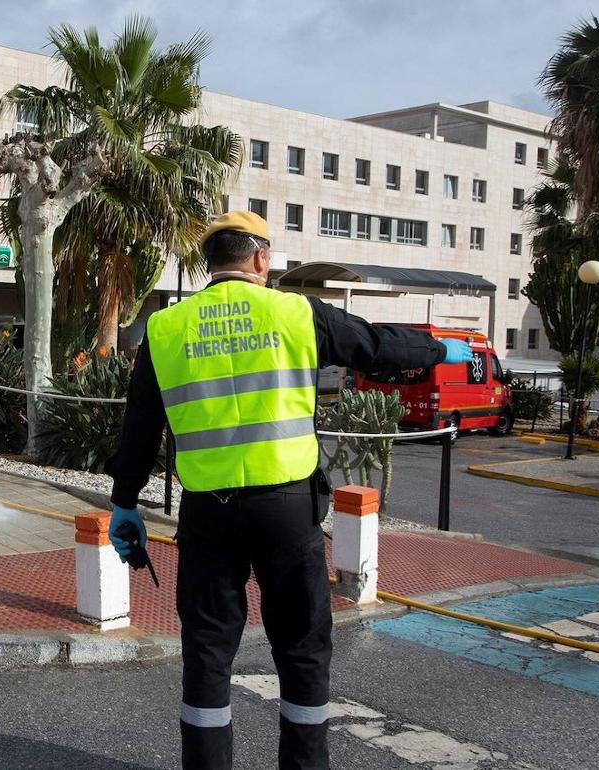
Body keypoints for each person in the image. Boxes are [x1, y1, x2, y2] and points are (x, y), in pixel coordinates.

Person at [104, 211, 473, 770]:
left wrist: (125, 502)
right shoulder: (296, 313)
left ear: (212, 263)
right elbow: (373, 346)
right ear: (259, 258)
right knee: (301, 648)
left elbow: (140, 425)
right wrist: (439, 350)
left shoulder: (166, 327)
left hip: (207, 513)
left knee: (207, 649)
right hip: (286, 510)